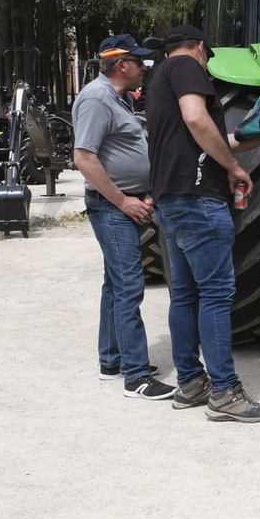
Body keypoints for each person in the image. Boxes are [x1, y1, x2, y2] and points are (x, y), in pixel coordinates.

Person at [144, 24, 260, 423]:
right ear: (201, 48)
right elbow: (197, 119)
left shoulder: (160, 79)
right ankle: (225, 392)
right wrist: (235, 169)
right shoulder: (186, 65)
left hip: (173, 200)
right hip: (199, 201)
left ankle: (191, 383)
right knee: (217, 294)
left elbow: (212, 137)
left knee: (185, 295)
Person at [74, 34, 171, 399]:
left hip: (120, 203)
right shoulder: (97, 98)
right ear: (121, 65)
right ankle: (136, 376)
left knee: (115, 284)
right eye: (139, 61)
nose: (144, 67)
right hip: (111, 206)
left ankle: (112, 361)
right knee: (130, 284)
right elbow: (84, 157)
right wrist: (123, 201)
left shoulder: (118, 98)